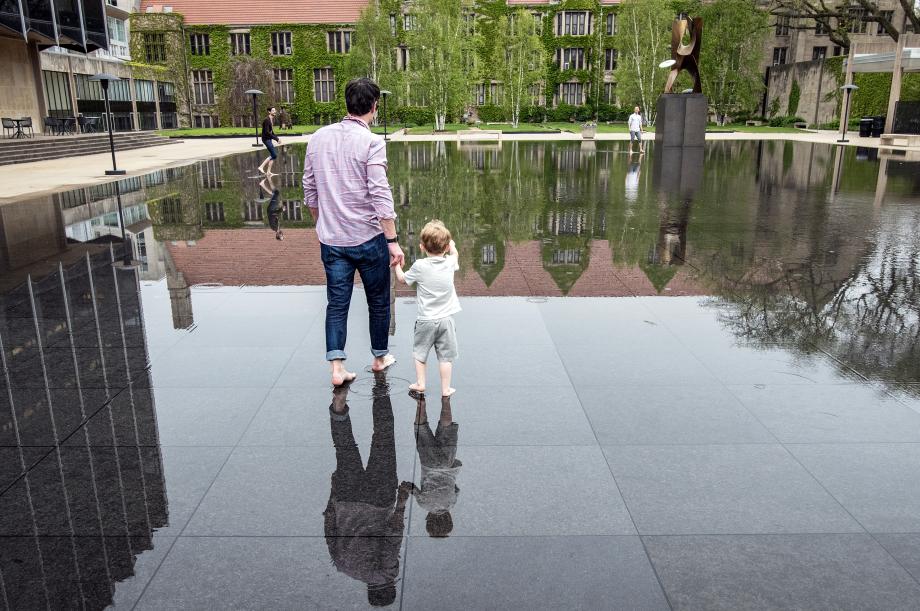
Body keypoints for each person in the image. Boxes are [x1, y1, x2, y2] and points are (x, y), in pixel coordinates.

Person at [303, 78, 404, 387]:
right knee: (378, 300)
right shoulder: (372, 142)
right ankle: (378, 358)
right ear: (373, 107)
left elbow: (309, 190)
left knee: (337, 302)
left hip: (331, 240)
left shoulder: (318, 138)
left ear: (346, 103)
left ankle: (337, 368)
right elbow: (380, 195)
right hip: (369, 238)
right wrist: (393, 241)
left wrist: (322, 223)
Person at [324, 373, 410, 607]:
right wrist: (332, 498)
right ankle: (339, 408)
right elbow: (329, 530)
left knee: (384, 437)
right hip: (346, 500)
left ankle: (380, 388)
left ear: (388, 587)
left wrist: (401, 503)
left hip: (378, 501)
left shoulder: (385, 575)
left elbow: (392, 540)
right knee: (345, 447)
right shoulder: (343, 566)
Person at [394, 220, 461, 397]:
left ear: (422, 247)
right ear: (446, 247)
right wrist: (452, 245)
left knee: (420, 353)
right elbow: (455, 253)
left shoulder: (420, 266)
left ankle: (420, 383)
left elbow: (403, 280)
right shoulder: (449, 263)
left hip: (425, 321)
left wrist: (397, 267)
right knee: (446, 356)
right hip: (446, 320)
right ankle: (446, 388)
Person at [402, 394, 461, 538]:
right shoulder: (424, 505)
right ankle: (420, 404)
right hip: (428, 463)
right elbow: (411, 488)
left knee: (446, 428)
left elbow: (456, 489)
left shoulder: (451, 503)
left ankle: (446, 400)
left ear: (449, 518)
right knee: (421, 430)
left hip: (448, 463)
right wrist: (405, 488)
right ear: (428, 519)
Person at [258, 107, 281, 176]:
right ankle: (261, 167)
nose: (275, 111)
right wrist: (276, 139)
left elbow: (271, 132)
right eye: (273, 110)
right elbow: (267, 132)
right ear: (269, 112)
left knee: (273, 155)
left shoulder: (271, 119)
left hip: (269, 139)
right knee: (274, 154)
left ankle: (268, 172)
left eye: (275, 110)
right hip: (266, 139)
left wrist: (277, 138)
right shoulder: (266, 120)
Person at [260, 176, 284, 240]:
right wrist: (280, 208)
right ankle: (263, 183)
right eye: (282, 236)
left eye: (281, 236)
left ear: (277, 235)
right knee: (275, 193)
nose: (282, 234)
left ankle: (265, 181)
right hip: (273, 209)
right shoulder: (277, 227)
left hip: (271, 209)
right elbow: (275, 215)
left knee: (276, 193)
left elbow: (272, 215)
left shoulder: (274, 227)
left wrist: (281, 210)